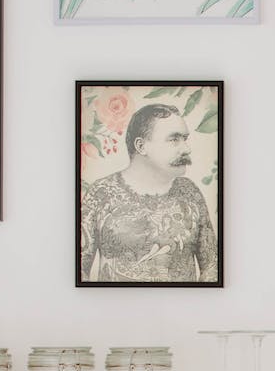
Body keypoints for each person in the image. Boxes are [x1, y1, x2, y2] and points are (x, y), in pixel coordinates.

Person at [80, 103, 219, 284]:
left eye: (185, 139)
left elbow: (212, 266)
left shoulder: (190, 192)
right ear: (141, 146)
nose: (186, 149)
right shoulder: (101, 193)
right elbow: (78, 270)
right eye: (174, 139)